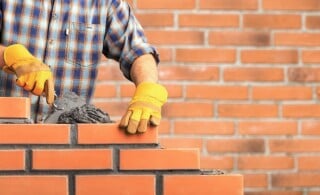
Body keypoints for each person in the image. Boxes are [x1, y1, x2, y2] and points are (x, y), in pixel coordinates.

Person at [0, 1, 168, 134]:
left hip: (69, 144)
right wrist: (11, 56)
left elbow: (138, 51)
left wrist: (148, 86)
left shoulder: (105, 3)